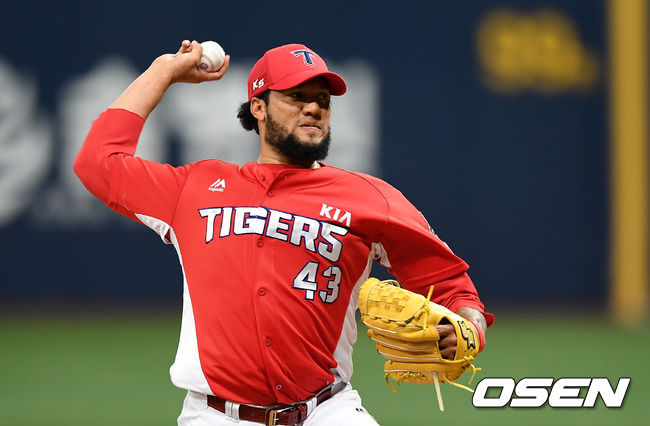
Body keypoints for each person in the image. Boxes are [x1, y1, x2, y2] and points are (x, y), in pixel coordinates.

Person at [74, 40, 494, 426]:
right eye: (296, 96)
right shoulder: (195, 188)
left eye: (322, 100)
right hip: (216, 415)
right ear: (258, 107)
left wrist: (470, 329)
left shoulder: (370, 198)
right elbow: (97, 162)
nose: (313, 108)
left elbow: (451, 285)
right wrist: (163, 70)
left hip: (326, 410)